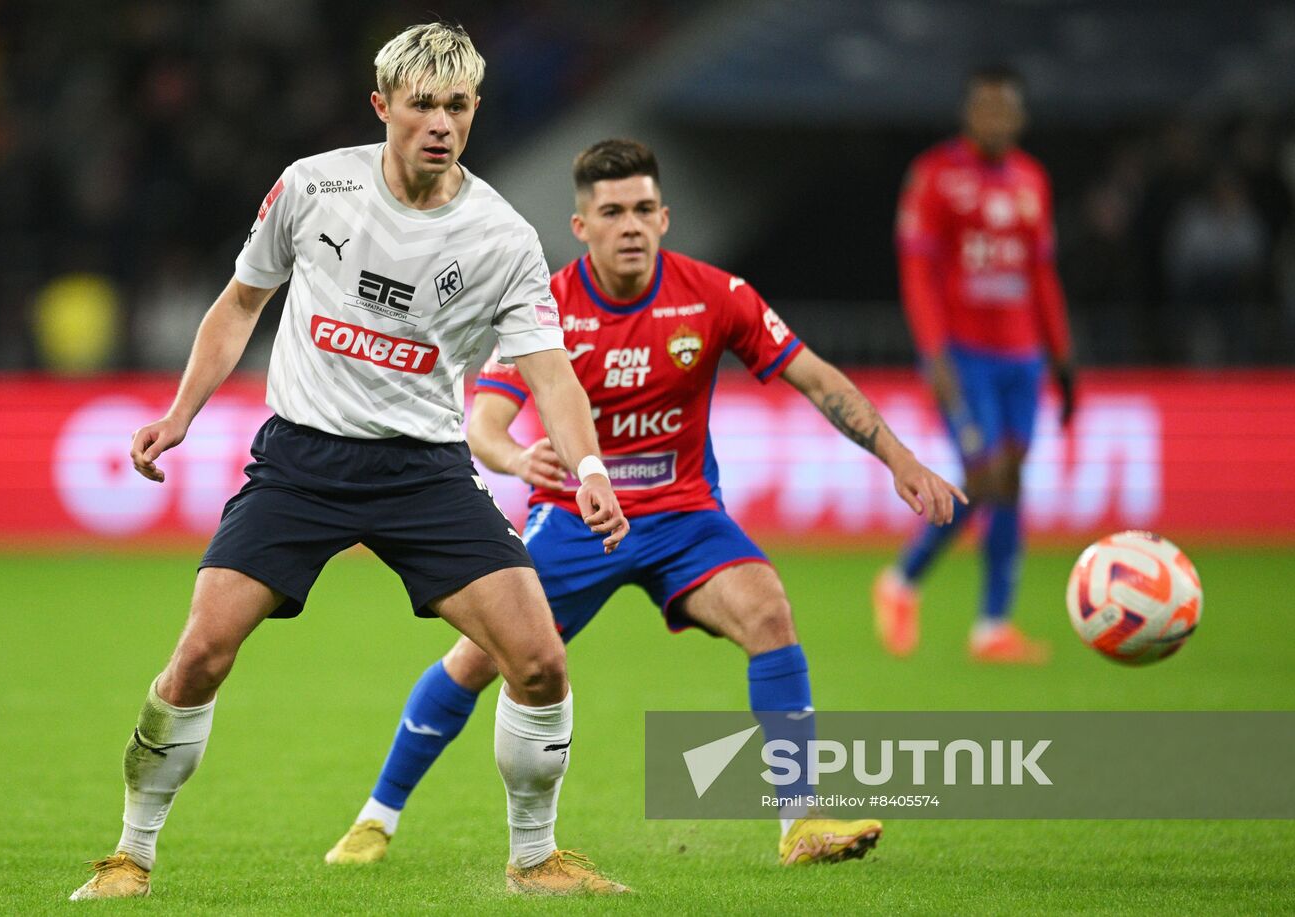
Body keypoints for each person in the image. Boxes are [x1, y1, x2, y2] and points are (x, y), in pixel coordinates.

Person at [70, 23, 631, 900]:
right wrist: (182, 412)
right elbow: (241, 301)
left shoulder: (503, 236)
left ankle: (535, 860)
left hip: (425, 473)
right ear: (383, 108)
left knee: (539, 660)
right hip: (300, 463)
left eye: (456, 106)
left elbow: (549, 373)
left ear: (475, 110)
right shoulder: (312, 186)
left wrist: (591, 470)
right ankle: (129, 854)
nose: (439, 124)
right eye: (421, 106)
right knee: (201, 656)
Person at [324, 139, 965, 870]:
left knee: (768, 610)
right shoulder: (546, 307)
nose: (629, 225)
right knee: (477, 659)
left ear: (664, 217)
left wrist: (900, 457)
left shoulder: (717, 295)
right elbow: (484, 427)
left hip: (684, 517)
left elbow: (816, 379)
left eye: (641, 210)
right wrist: (515, 458)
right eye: (612, 212)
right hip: (573, 522)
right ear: (582, 226)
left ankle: (800, 820)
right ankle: (376, 817)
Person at [874, 64, 1076, 664]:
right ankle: (901, 580)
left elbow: (1041, 274)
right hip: (964, 355)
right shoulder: (935, 177)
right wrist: (933, 352)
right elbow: (917, 272)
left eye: (1004, 109)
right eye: (984, 107)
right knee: (984, 475)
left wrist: (1062, 358)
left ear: (1019, 117)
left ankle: (992, 628)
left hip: (1023, 357)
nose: (994, 118)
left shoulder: (1032, 180)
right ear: (968, 113)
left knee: (1009, 485)